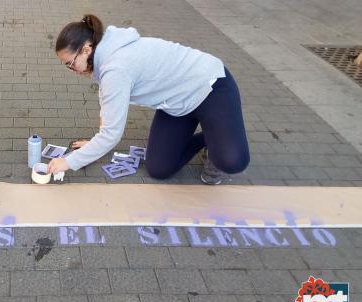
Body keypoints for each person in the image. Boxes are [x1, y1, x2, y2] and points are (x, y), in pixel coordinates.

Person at [48, 14, 250, 184]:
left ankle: (217, 139)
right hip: (177, 104)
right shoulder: (104, 52)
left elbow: (111, 134)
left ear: (86, 49)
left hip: (210, 87)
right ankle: (210, 137)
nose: (71, 69)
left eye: (70, 63)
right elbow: (108, 103)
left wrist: (68, 162)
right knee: (159, 169)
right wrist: (94, 142)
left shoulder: (115, 68)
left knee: (232, 160)